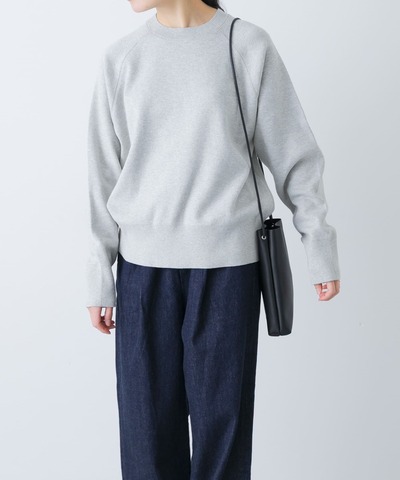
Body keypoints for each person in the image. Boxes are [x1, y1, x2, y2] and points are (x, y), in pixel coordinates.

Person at [85, 1, 341, 478]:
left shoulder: (247, 45)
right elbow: (103, 177)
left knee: (223, 440)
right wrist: (100, 274)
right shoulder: (121, 58)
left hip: (230, 272)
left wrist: (318, 244)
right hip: (143, 275)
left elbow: (294, 154)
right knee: (146, 442)